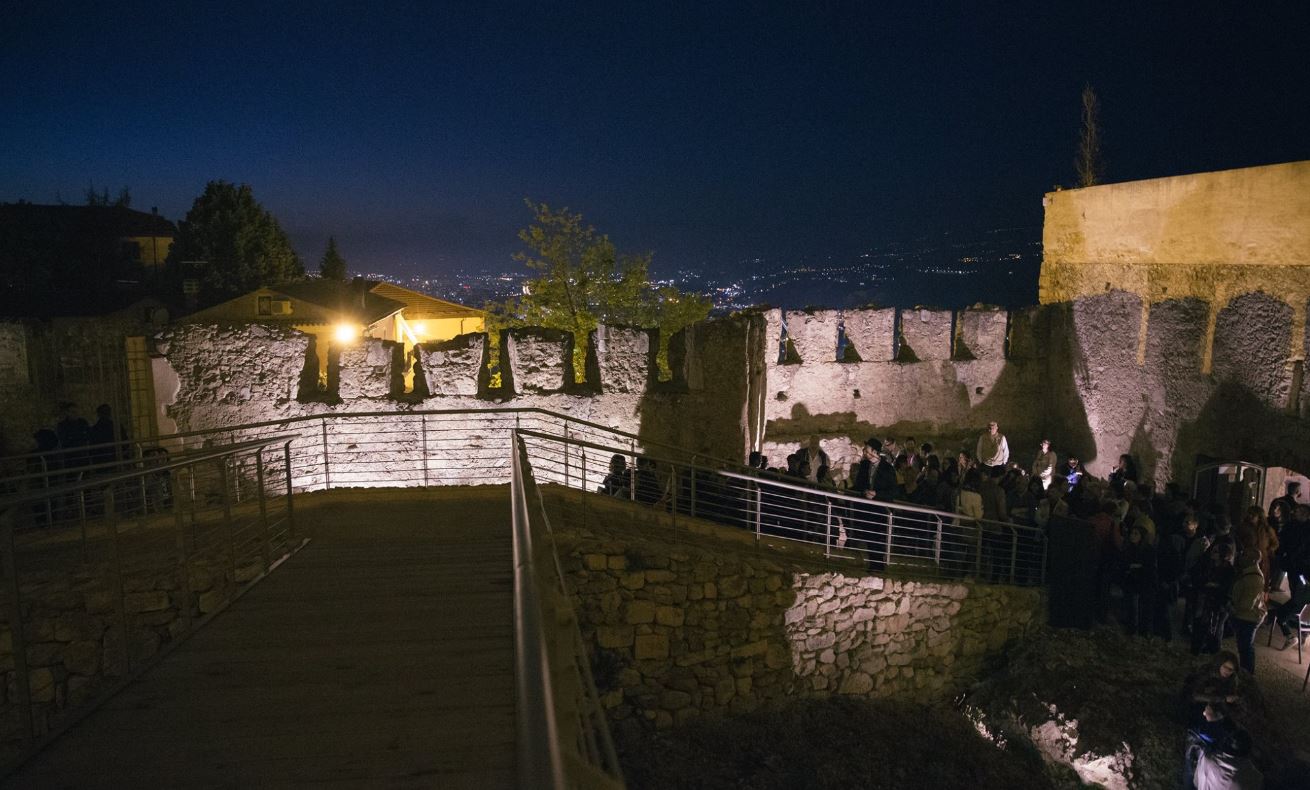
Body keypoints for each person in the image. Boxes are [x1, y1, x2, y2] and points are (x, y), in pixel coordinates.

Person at [1190, 542, 1236, 655]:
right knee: (1203, 626)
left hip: (1219, 604)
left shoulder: (1229, 570)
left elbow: (1227, 588)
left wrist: (1214, 586)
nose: (1212, 553)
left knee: (1215, 629)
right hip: (1207, 601)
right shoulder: (1212, 566)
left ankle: (1214, 651)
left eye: (1216, 551)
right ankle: (1201, 649)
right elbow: (1203, 580)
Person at [1228, 551, 1265, 675]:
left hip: (1248, 617)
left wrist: (1231, 607)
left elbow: (1247, 604)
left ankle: (1247, 674)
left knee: (1246, 648)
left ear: (1253, 559)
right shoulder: (1249, 573)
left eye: (1245, 555)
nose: (1241, 557)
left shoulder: (1254, 578)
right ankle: (1245, 672)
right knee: (1245, 646)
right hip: (1246, 616)